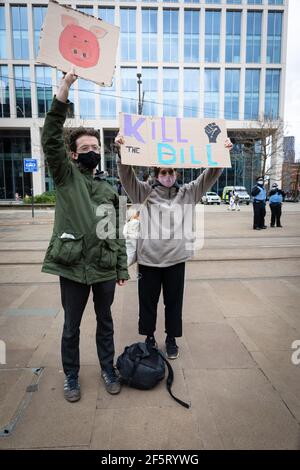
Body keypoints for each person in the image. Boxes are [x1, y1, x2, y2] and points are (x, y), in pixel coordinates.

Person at [41, 69, 129, 403]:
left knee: (105, 322)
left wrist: (121, 268)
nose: (93, 150)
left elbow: (116, 232)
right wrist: (64, 88)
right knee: (71, 326)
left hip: (105, 267)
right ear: (74, 154)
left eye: (96, 146)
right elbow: (51, 137)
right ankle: (72, 376)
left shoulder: (108, 189)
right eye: (86, 147)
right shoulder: (65, 177)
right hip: (73, 267)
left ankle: (108, 368)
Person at [115, 134, 233, 359]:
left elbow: (209, 175)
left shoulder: (188, 193)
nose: (167, 176)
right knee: (147, 303)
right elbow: (126, 176)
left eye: (171, 172)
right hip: (149, 261)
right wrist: (122, 153)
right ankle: (149, 338)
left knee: (174, 303)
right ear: (156, 175)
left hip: (176, 262)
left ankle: (171, 339)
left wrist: (221, 153)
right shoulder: (144, 192)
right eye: (163, 172)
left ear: (176, 173)